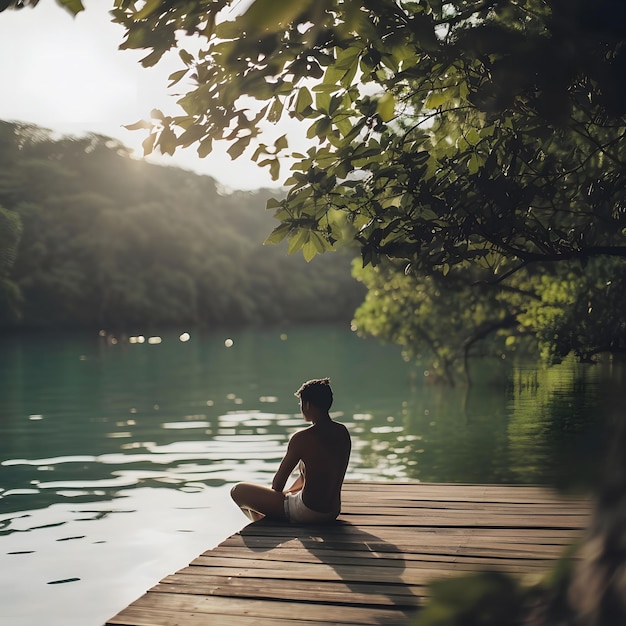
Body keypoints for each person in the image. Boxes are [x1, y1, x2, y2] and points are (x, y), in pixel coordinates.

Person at [230, 378, 351, 523]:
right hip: (332, 511)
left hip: (308, 512)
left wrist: (273, 497)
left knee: (237, 491)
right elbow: (320, 475)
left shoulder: (302, 438)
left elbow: (277, 485)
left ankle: (262, 522)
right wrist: (289, 493)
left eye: (301, 403)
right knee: (287, 494)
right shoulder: (342, 432)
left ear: (307, 405)